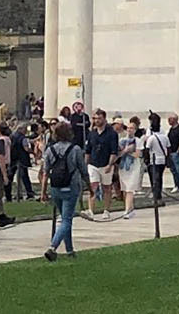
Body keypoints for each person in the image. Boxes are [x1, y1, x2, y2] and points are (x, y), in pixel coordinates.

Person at [42, 118, 90, 261]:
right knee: (67, 220)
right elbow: (83, 170)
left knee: (65, 218)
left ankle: (69, 250)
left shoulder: (50, 150)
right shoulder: (75, 149)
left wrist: (44, 191)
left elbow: (45, 172)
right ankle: (53, 247)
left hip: (55, 187)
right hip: (71, 187)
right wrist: (90, 186)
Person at [84, 108, 119, 219]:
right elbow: (88, 150)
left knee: (106, 187)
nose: (97, 121)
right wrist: (86, 164)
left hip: (106, 164)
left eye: (99, 118)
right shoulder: (92, 133)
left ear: (104, 118)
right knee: (93, 187)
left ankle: (106, 210)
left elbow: (114, 150)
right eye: (95, 118)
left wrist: (110, 164)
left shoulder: (111, 133)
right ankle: (90, 210)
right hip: (93, 164)